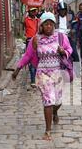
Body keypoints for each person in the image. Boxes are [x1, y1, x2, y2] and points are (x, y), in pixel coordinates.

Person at [12, 12, 73, 141]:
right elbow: (28, 55)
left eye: (51, 24)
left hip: (58, 73)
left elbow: (70, 50)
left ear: (54, 25)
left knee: (58, 101)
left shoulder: (61, 37)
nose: (49, 27)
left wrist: (63, 51)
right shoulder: (36, 39)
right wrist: (18, 68)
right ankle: (48, 130)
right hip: (43, 74)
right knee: (48, 101)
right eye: (46, 24)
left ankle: (55, 112)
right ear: (42, 26)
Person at [24, 7, 40, 88]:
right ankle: (33, 80)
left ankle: (37, 78)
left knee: (38, 59)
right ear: (29, 12)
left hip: (37, 41)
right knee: (31, 59)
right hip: (29, 41)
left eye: (35, 11)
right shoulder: (26, 20)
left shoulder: (38, 20)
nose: (34, 12)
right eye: (32, 11)